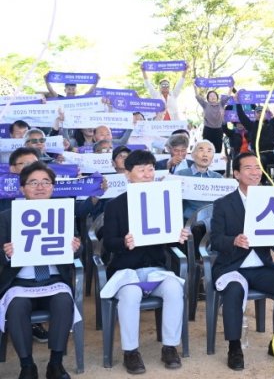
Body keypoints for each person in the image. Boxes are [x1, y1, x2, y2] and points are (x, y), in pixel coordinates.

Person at [100, 150, 192, 374]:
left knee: (174, 289)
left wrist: (180, 236)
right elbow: (108, 243)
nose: (147, 174)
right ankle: (131, 352)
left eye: (150, 169)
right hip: (126, 270)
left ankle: (170, 347)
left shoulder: (164, 200)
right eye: (141, 170)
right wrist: (124, 242)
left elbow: (172, 239)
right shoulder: (115, 205)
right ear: (127, 174)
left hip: (156, 269)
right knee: (131, 294)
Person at [209, 152, 274, 370]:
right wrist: (234, 240)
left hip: (260, 266)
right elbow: (216, 240)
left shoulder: (273, 199)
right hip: (232, 267)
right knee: (234, 289)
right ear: (236, 174)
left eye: (258, 168)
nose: (255, 172)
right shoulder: (223, 204)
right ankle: (234, 347)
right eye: (248, 168)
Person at [0, 162, 81, 379]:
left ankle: (55, 364)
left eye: (46, 182)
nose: (40, 187)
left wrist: (75, 248)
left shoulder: (63, 213)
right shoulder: (7, 216)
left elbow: (77, 253)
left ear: (53, 187)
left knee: (63, 302)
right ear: (22, 188)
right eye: (33, 182)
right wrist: (6, 254)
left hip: (54, 280)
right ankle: (27, 365)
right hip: (20, 282)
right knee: (17, 307)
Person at [176, 140, 223, 220]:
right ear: (193, 155)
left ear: (213, 156)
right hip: (186, 220)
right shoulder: (180, 175)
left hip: (212, 221)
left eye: (209, 151)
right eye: (201, 150)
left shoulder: (218, 178)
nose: (205, 154)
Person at [195, 87, 230, 153]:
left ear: (217, 97)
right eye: (210, 96)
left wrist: (231, 86)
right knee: (207, 149)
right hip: (208, 130)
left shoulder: (221, 104)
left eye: (214, 95)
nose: (212, 97)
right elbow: (197, 97)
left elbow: (228, 96)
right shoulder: (205, 104)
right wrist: (195, 87)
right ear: (208, 98)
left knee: (218, 149)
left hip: (218, 130)